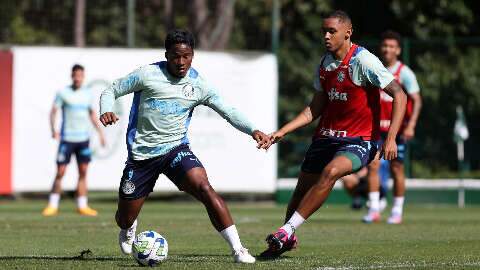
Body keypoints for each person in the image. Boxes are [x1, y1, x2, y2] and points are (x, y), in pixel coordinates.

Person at [99, 29, 269, 264]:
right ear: (167, 54)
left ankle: (238, 250)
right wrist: (106, 109)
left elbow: (228, 110)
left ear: (192, 55)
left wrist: (254, 130)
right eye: (176, 56)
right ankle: (129, 227)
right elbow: (112, 90)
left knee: (205, 188)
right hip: (142, 156)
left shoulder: (198, 84)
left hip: (175, 150)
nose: (181, 62)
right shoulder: (147, 74)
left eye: (186, 56)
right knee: (124, 219)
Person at [259, 10, 407, 259]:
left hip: (360, 140)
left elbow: (399, 94)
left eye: (332, 31)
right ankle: (284, 240)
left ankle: (286, 230)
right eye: (323, 31)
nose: (326, 36)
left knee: (331, 172)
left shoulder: (364, 61)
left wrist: (391, 137)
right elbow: (315, 108)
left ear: (348, 33)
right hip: (326, 137)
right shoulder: (325, 62)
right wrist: (281, 132)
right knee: (300, 191)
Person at [362, 30, 422, 224]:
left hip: (397, 130)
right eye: (385, 46)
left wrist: (411, 124)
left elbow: (417, 100)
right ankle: (373, 209)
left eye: (392, 46)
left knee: (397, 169)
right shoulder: (374, 68)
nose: (387, 49)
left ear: (398, 50)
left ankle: (397, 210)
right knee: (372, 166)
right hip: (375, 129)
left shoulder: (404, 72)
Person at [42, 64, 106, 217]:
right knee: (60, 171)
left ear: (83, 77)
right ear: (72, 76)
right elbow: (53, 112)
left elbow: (92, 115)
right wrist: (53, 130)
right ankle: (53, 204)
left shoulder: (88, 94)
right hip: (67, 139)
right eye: (75, 75)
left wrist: (101, 134)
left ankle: (82, 205)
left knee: (83, 172)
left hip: (83, 139)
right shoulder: (63, 93)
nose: (77, 78)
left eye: (80, 75)